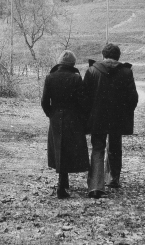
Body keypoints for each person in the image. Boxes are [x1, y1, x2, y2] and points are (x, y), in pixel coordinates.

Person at [83, 43, 138, 199]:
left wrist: (88, 114)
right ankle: (113, 179)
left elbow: (85, 96)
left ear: (103, 55)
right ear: (118, 56)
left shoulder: (92, 70)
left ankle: (95, 186)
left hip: (97, 118)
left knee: (97, 149)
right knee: (115, 146)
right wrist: (126, 113)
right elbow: (133, 98)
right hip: (118, 118)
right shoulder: (126, 72)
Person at [41, 50, 90, 199]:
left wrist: (52, 114)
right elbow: (83, 102)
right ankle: (61, 186)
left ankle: (63, 182)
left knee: (58, 148)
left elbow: (44, 102)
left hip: (56, 117)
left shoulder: (50, 77)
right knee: (68, 148)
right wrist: (81, 117)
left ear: (59, 63)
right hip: (72, 118)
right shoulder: (76, 79)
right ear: (72, 64)